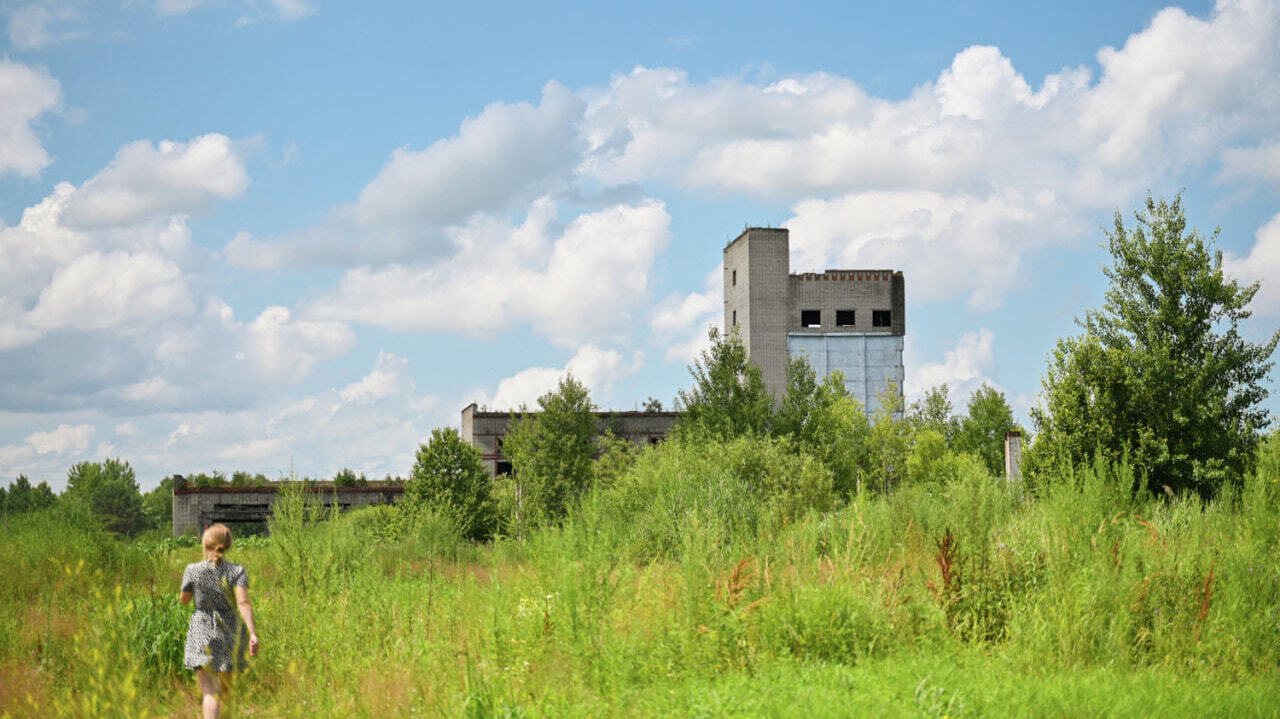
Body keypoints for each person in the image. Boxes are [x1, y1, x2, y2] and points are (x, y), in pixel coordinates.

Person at [180, 523, 259, 719]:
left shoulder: (193, 570)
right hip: (229, 631)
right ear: (228, 545)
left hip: (201, 630)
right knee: (225, 691)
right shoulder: (237, 571)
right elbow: (243, 602)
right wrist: (253, 633)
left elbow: (185, 600)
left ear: (205, 544)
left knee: (209, 691)